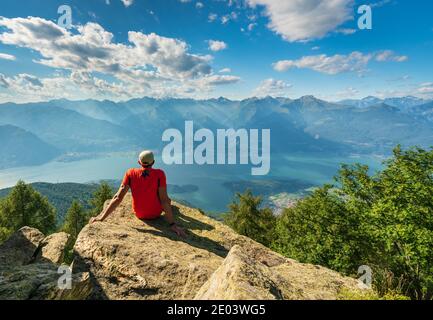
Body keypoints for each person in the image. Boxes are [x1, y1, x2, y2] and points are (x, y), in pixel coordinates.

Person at [90, 150, 186, 238]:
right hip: (155, 213)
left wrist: (101, 218)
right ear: (153, 162)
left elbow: (118, 197)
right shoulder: (159, 174)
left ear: (139, 162)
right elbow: (164, 200)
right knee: (169, 201)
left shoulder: (130, 173)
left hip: (139, 213)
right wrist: (172, 225)